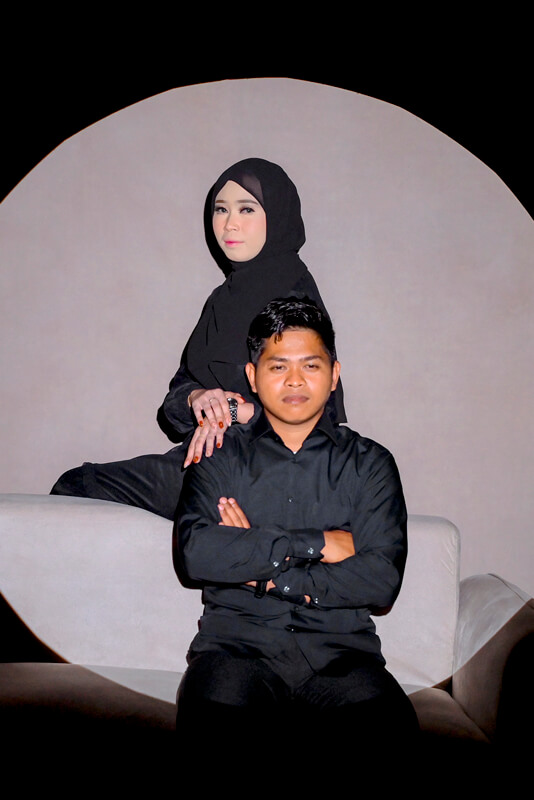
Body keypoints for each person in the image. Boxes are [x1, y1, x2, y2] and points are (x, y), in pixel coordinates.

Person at [174, 298, 419, 767]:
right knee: (212, 731)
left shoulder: (370, 464)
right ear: (252, 376)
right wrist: (319, 543)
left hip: (343, 657)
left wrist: (261, 567)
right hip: (235, 652)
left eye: (310, 365)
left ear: (334, 374)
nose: (294, 380)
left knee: (391, 733)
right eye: (277, 365)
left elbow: (380, 579)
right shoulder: (218, 455)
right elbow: (197, 555)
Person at [51, 159, 345, 519]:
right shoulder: (223, 300)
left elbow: (316, 419)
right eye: (221, 209)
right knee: (78, 484)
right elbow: (176, 400)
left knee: (78, 485)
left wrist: (232, 411)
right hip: (210, 455)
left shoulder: (294, 297)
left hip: (271, 468)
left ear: (278, 215)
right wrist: (199, 398)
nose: (229, 224)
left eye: (247, 209)